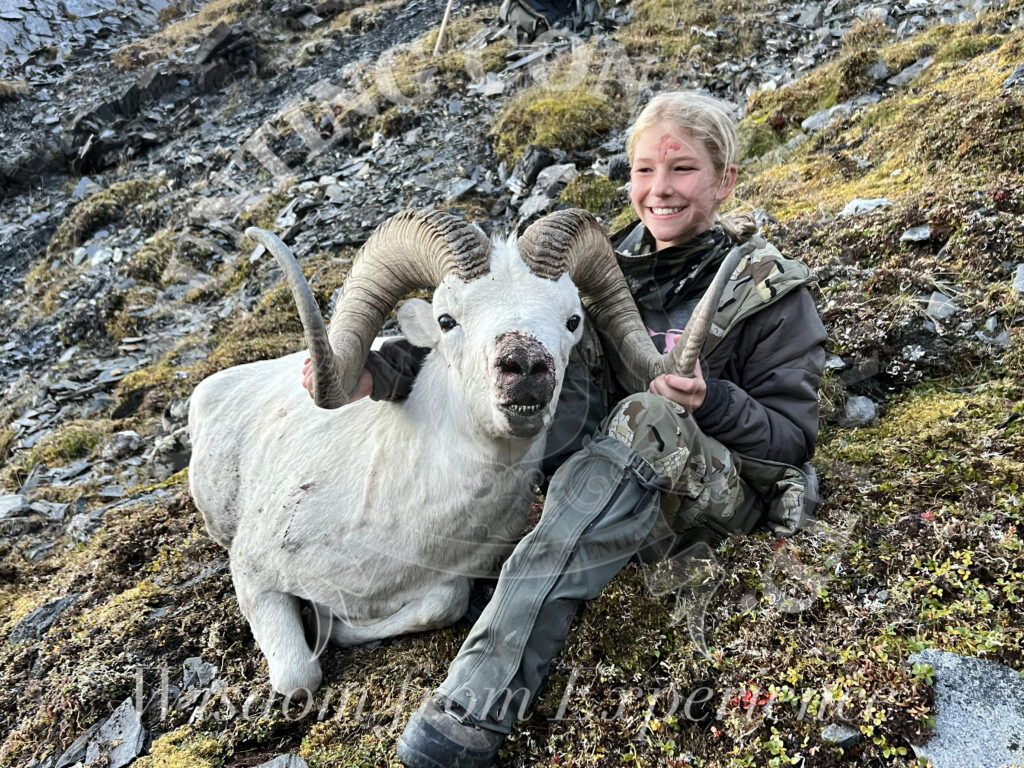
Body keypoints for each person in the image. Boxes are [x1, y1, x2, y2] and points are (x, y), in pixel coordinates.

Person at [303, 91, 828, 768]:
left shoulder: (771, 293)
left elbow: (791, 439)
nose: (659, 190)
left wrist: (712, 401)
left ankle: (472, 706)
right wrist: (372, 373)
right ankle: (515, 543)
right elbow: (492, 336)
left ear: (725, 181)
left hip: (719, 498)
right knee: (552, 350)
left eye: (683, 170)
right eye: (643, 171)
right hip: (603, 484)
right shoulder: (604, 260)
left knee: (649, 415)